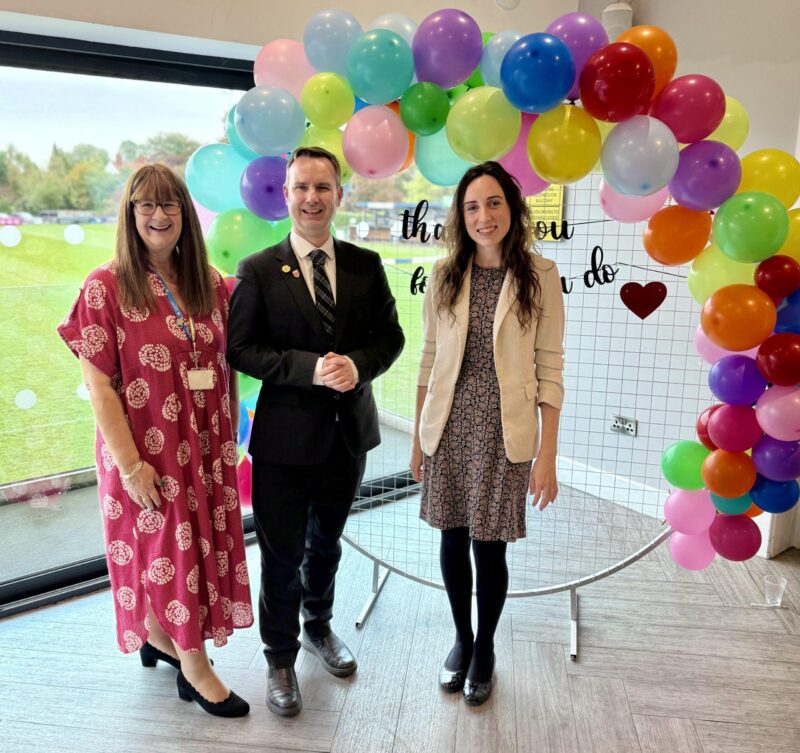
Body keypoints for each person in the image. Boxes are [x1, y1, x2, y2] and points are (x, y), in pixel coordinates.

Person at [57, 164, 253, 718]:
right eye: (146, 205)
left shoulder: (211, 284)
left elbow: (226, 360)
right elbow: (97, 384)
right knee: (171, 549)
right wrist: (130, 466)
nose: (159, 216)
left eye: (170, 205)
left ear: (186, 215)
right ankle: (193, 665)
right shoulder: (105, 286)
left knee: (191, 546)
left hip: (204, 447)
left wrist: (229, 437)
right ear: (130, 213)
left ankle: (156, 634)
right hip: (144, 453)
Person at [227, 146, 404, 717]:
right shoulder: (257, 270)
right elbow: (241, 349)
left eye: (322, 187)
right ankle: (279, 656)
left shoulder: (364, 266)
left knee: (325, 546)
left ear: (339, 195)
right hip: (283, 444)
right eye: (301, 187)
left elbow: (390, 338)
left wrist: (358, 365)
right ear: (286, 195)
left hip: (346, 439)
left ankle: (318, 629)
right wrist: (309, 369)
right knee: (280, 555)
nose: (311, 198)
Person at [410, 161, 565, 706]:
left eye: (493, 202)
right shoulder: (445, 273)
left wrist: (547, 456)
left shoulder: (540, 276)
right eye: (472, 206)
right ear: (460, 215)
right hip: (449, 425)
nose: (484, 215)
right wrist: (417, 441)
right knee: (452, 536)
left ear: (512, 208)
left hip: (505, 427)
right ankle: (461, 637)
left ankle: (487, 648)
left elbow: (550, 367)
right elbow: (428, 358)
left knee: (489, 545)